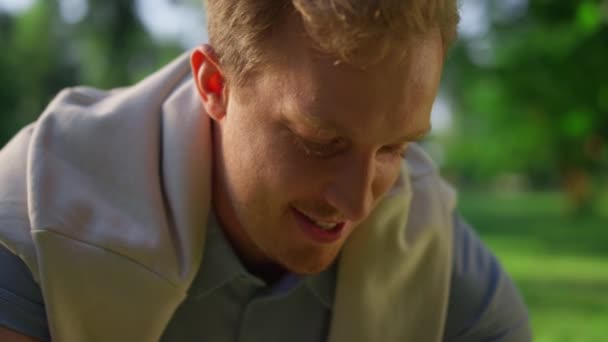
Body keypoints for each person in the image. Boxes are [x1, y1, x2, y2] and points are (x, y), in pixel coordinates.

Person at [0, 0, 531, 341]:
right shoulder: (34, 221)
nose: (358, 203)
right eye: (320, 142)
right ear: (215, 86)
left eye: (394, 147)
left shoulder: (436, 263)